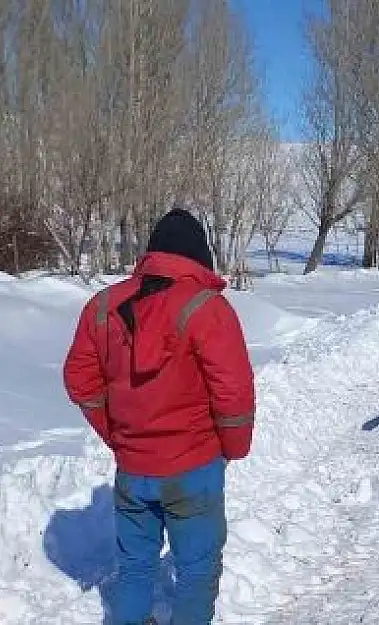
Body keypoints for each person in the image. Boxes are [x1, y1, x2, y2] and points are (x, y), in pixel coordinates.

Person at [62, 207, 256, 625]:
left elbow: (80, 380)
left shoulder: (101, 307)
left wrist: (116, 433)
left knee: (134, 567)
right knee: (197, 569)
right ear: (198, 256)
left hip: (133, 469)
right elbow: (233, 392)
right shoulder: (209, 308)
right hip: (193, 467)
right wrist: (233, 448)